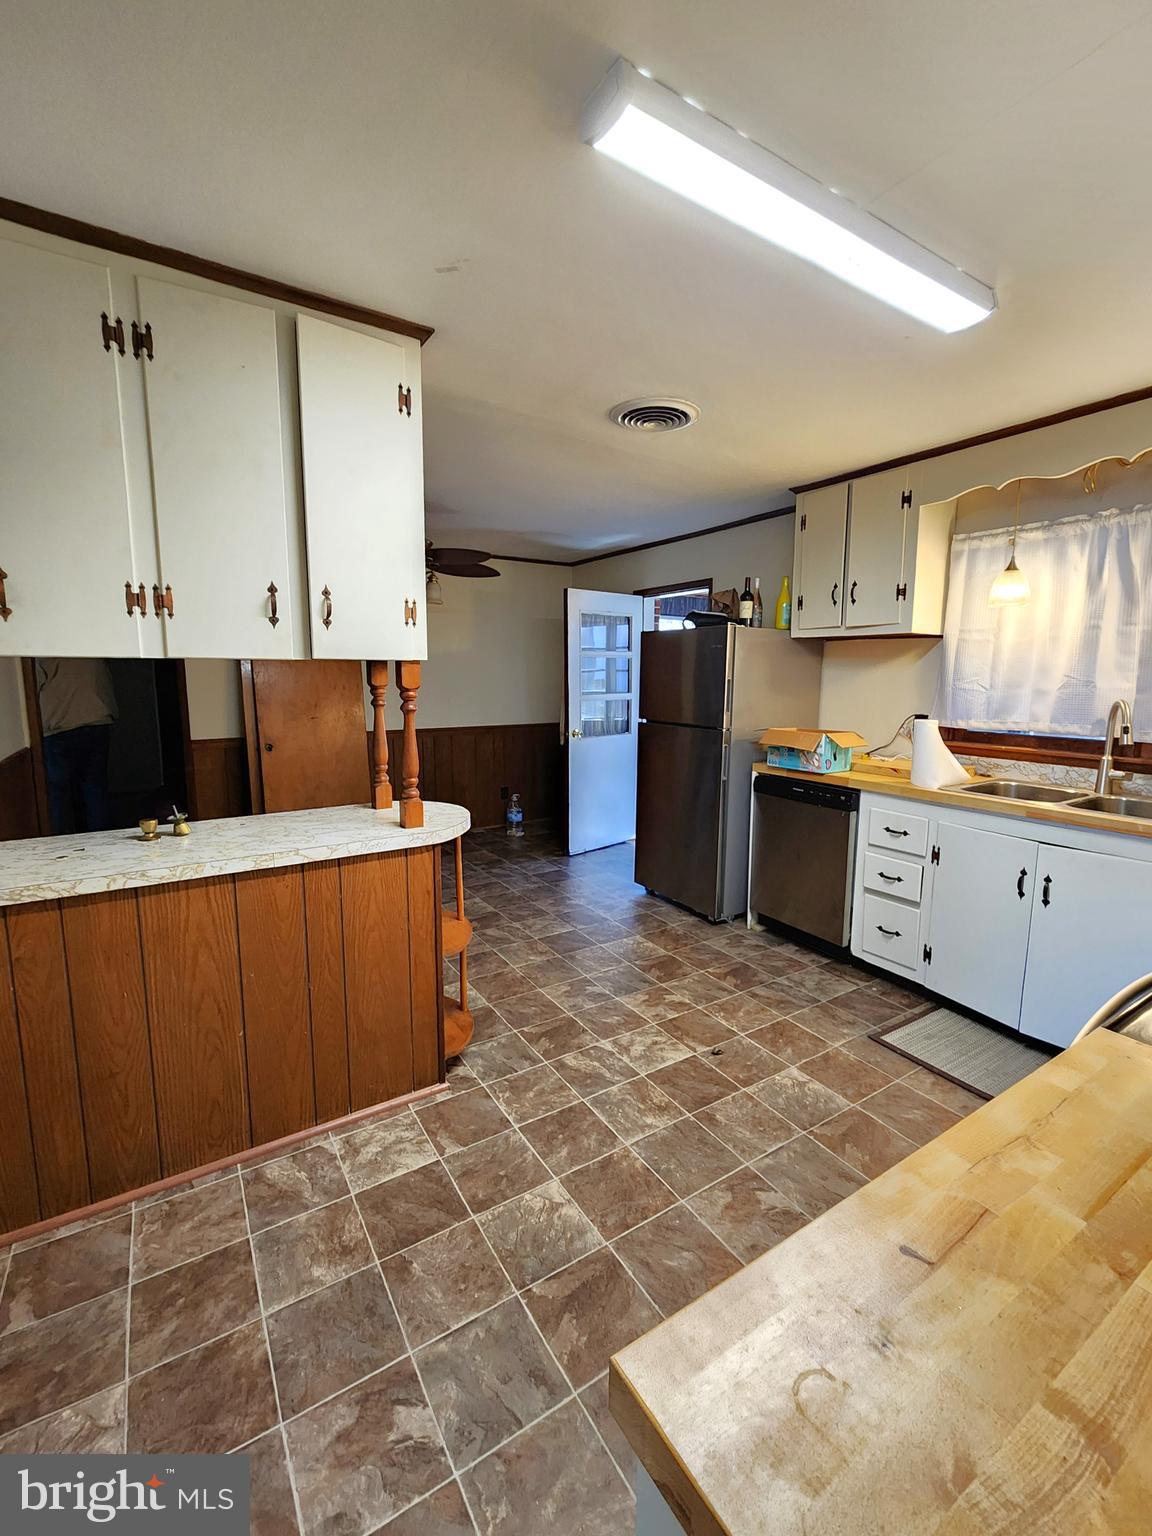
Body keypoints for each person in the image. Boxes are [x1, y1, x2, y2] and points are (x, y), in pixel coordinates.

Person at [35, 658, 118, 833]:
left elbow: (32, 688)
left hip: (58, 728)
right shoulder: (90, 646)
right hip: (97, 720)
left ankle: (64, 846)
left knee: (59, 795)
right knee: (95, 790)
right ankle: (101, 843)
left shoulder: (42, 651)